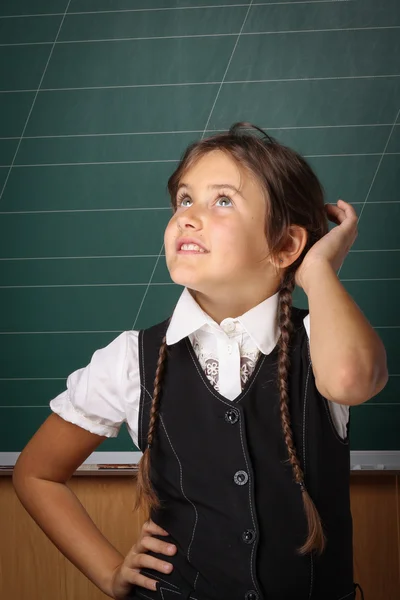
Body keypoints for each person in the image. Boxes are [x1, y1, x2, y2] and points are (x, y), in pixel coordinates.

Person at [13, 123, 386, 600]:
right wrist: (110, 572)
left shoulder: (323, 338)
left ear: (285, 245)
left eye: (223, 201)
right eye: (185, 200)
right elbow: (37, 473)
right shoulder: (133, 359)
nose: (188, 217)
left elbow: (353, 379)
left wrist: (316, 272)